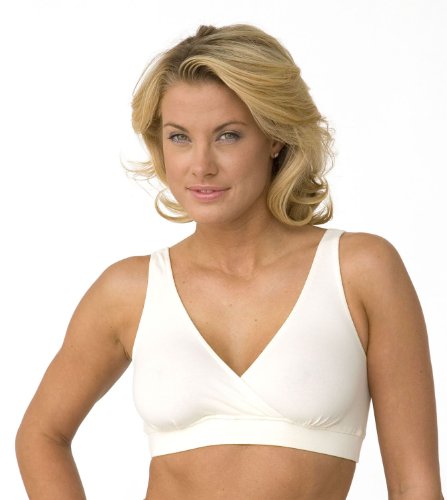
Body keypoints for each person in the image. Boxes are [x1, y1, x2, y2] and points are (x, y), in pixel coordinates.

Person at [16, 23, 443, 500]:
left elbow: (414, 485)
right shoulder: (130, 290)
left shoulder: (361, 271)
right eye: (180, 137)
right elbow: (41, 435)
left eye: (228, 136)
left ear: (275, 136)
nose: (201, 166)